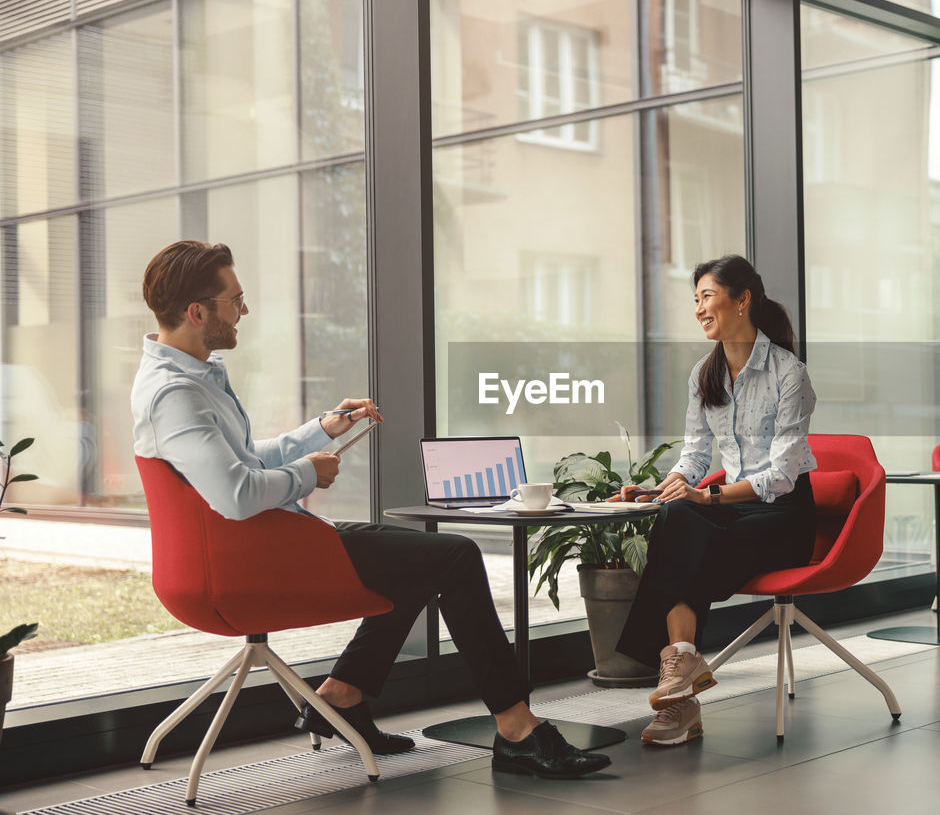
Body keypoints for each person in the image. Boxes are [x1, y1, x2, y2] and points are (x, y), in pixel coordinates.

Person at [130, 240, 609, 779]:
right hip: (247, 567)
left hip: (274, 543)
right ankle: (517, 728)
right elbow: (237, 495)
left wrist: (323, 430)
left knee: (419, 557)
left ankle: (342, 694)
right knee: (453, 555)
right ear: (198, 312)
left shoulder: (195, 377)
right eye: (234, 299)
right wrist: (311, 472)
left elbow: (241, 460)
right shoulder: (175, 393)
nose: (244, 310)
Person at [613, 255, 818, 747]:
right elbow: (695, 455)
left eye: (707, 297)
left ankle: (680, 688)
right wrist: (662, 487)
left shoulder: (789, 373)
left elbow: (784, 474)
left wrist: (709, 496)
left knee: (686, 540)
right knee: (676, 515)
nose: (699, 309)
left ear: (742, 300)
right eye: (696, 300)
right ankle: (682, 664)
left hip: (783, 516)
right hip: (732, 508)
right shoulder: (704, 375)